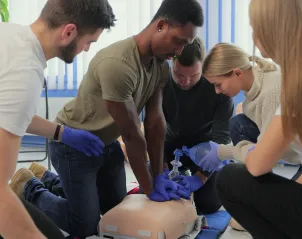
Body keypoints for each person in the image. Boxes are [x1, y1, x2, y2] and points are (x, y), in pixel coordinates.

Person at [10, 0, 204, 238]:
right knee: (85, 225)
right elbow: (133, 134)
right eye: (179, 41)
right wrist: (149, 187)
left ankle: (46, 177)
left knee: (115, 211)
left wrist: (159, 172)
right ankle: (28, 186)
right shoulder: (118, 64)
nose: (179, 51)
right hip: (73, 145)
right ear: (161, 25)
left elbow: (154, 122)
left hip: (106, 144)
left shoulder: (160, 66)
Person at [197, 0, 302, 238]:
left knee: (229, 179)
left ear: (274, 28)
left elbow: (258, 165)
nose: (254, 38)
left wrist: (241, 149)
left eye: (255, 28)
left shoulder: (301, 79)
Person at [0, 0, 115, 238]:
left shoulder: (9, 35)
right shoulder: (25, 71)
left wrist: (62, 133)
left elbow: (11, 112)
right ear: (69, 32)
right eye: (88, 42)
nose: (86, 49)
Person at [162, 37, 233, 214]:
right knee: (155, 195)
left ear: (203, 66)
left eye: (193, 76)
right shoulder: (159, 80)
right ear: (172, 61)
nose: (185, 81)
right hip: (167, 144)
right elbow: (151, 129)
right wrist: (160, 169)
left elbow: (221, 137)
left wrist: (200, 178)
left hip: (204, 150)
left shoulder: (218, 86)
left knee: (208, 204)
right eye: (179, 74)